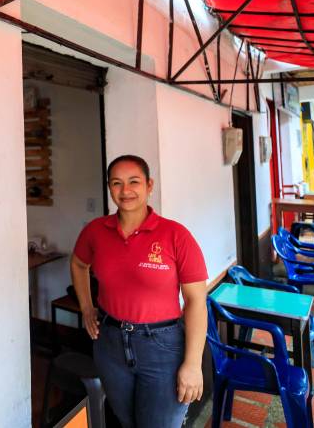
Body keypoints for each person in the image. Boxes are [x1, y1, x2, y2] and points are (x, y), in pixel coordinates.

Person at [70, 154, 208, 428]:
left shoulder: (175, 235)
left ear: (149, 185)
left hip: (163, 347)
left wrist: (192, 364)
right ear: (109, 188)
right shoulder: (96, 231)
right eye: (117, 183)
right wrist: (86, 307)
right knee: (127, 420)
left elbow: (195, 302)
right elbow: (78, 263)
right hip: (109, 343)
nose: (125, 191)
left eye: (134, 181)